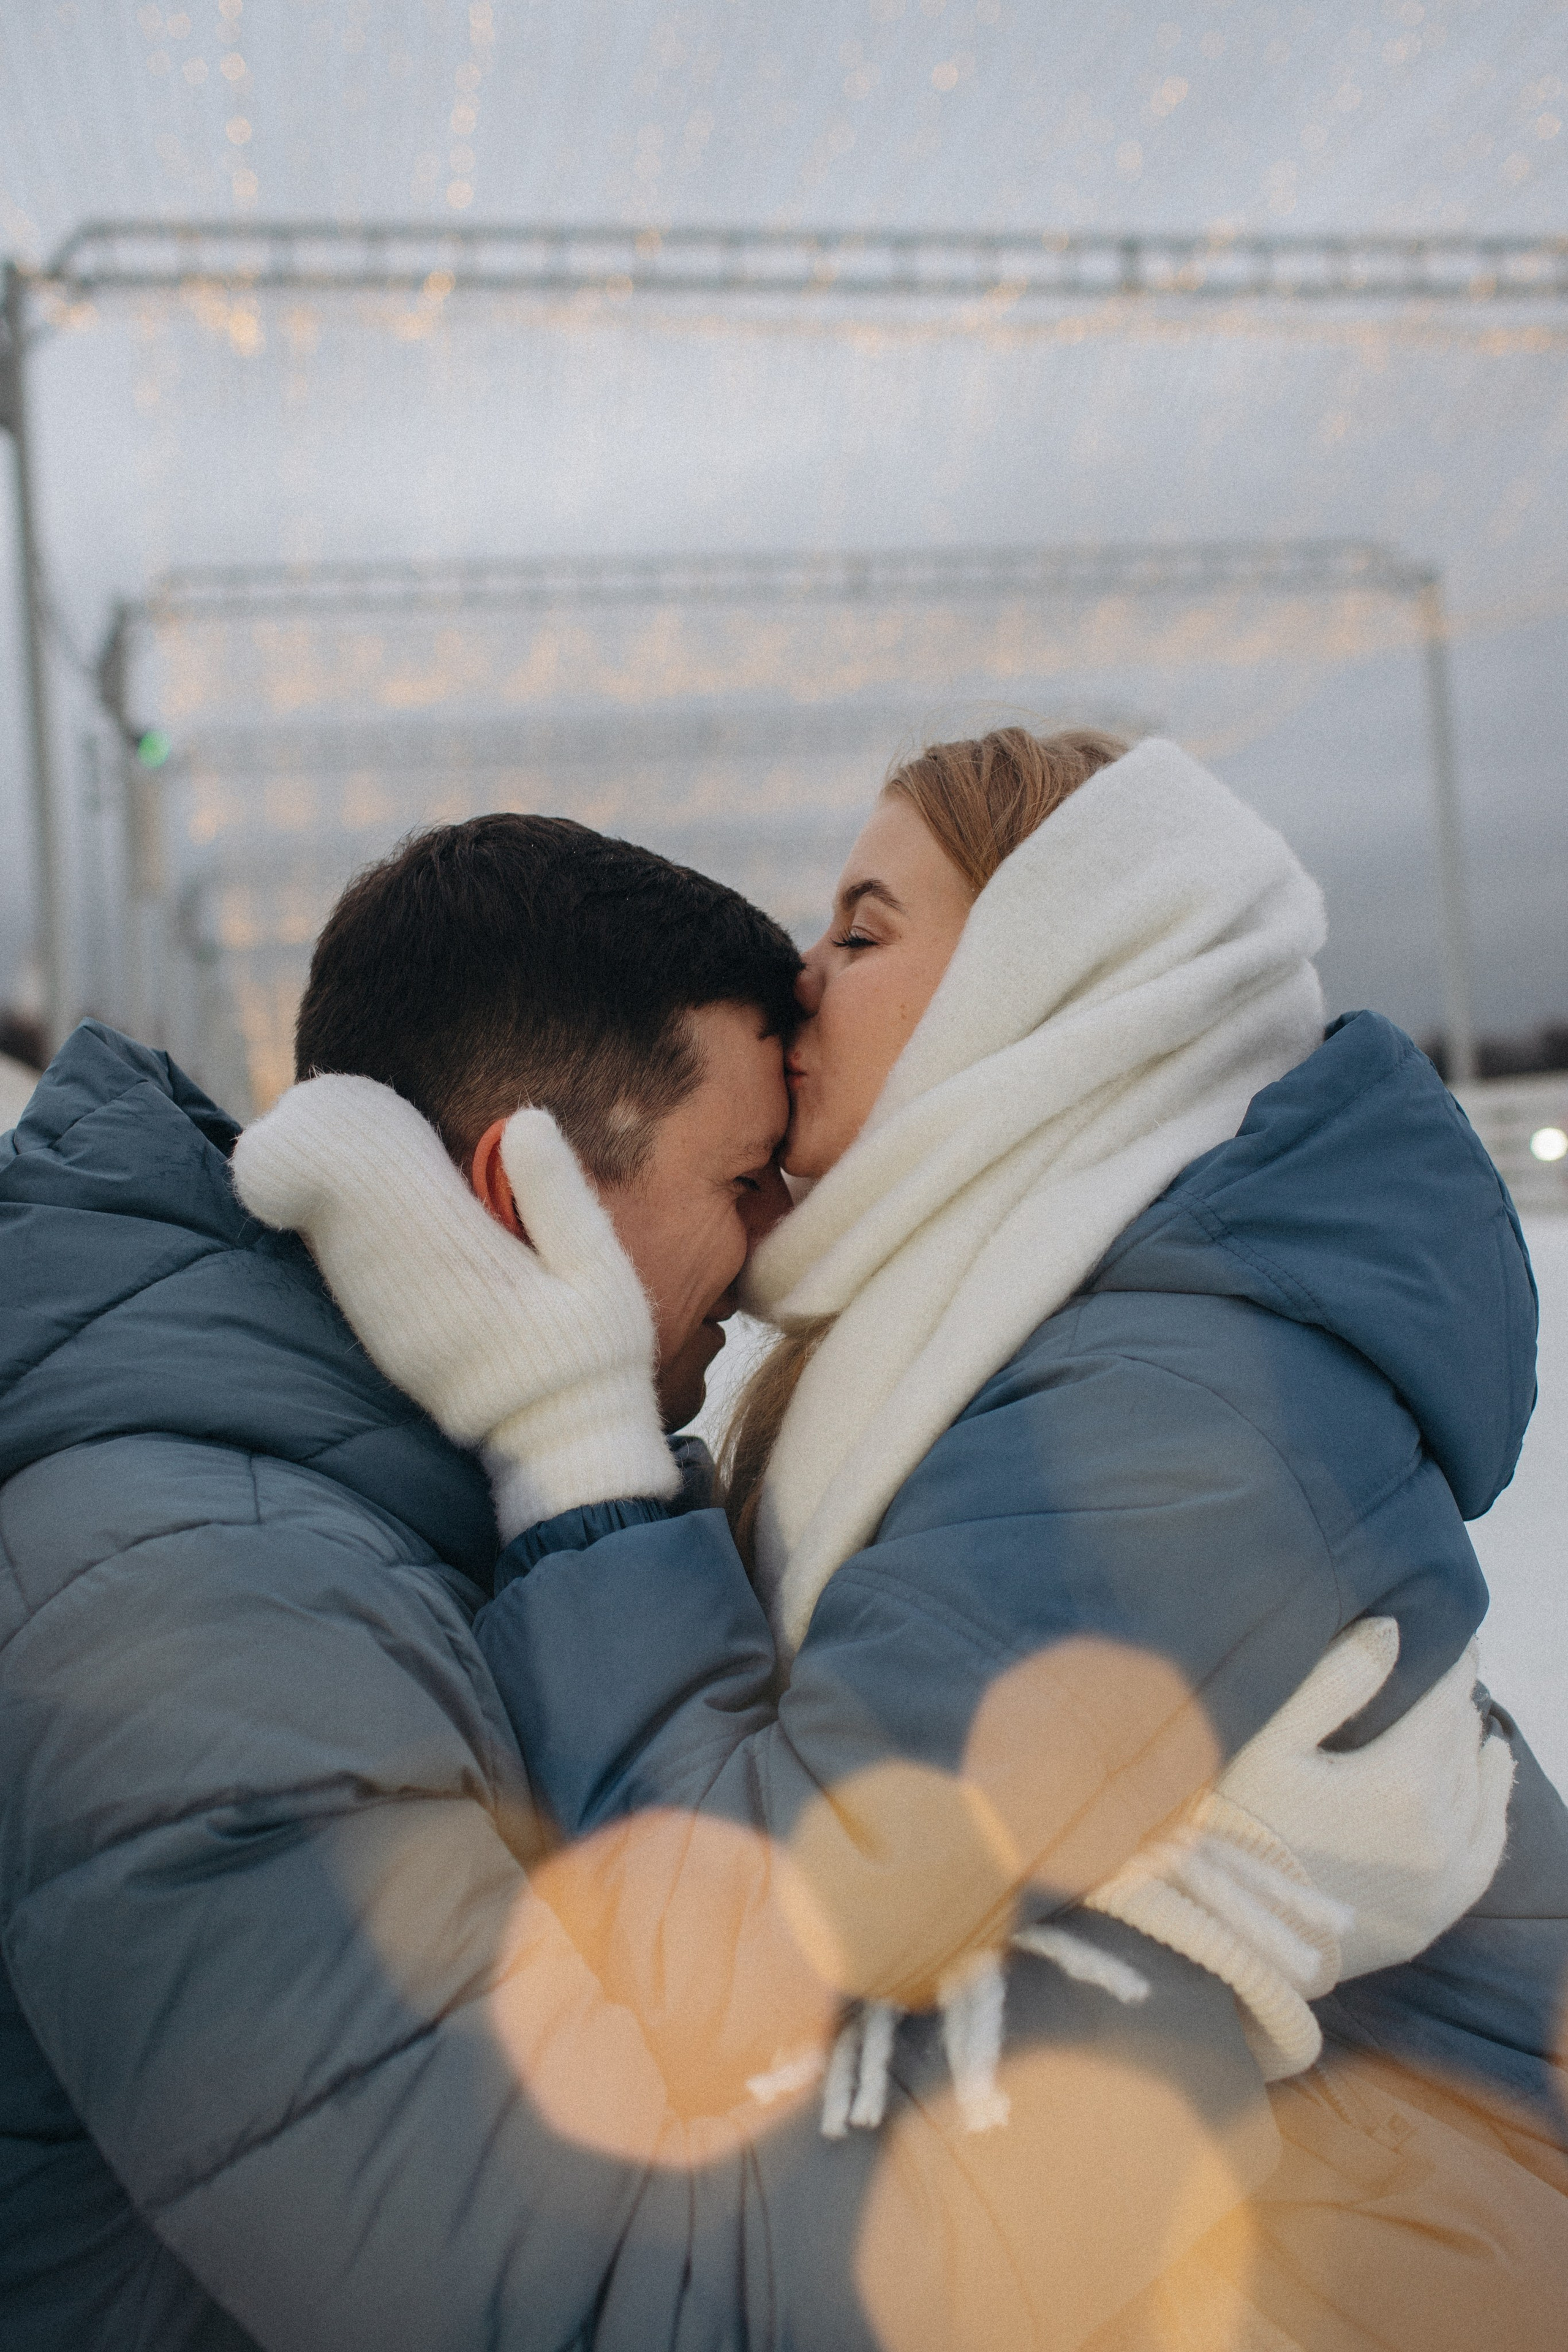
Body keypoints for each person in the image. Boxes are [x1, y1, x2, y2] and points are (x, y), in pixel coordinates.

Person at [239, 736, 1568, 2344]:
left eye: (864, 932)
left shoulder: (1177, 1405)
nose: (805, 984)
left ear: (1053, 983)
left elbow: (748, 1933)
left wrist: (575, 1445)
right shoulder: (1023, 1334)